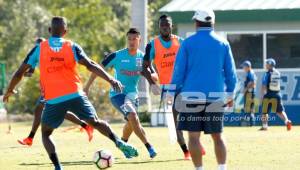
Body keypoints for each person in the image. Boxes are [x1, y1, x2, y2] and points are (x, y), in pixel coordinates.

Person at [3, 16, 138, 170]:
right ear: (65, 32)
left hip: (53, 99)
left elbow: (19, 73)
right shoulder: (72, 46)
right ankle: (118, 142)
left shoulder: (39, 48)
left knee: (46, 133)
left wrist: (9, 91)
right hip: (76, 94)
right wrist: (111, 80)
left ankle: (58, 167)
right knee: (95, 121)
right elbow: (90, 65)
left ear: (49, 31)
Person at [171, 9, 237, 170]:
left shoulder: (187, 43)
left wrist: (172, 91)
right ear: (212, 22)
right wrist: (230, 94)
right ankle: (222, 168)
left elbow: (179, 71)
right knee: (218, 136)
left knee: (193, 137)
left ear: (197, 23)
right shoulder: (223, 43)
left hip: (191, 97)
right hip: (216, 96)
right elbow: (231, 73)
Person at [84, 28, 157, 158]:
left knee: (131, 122)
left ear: (139, 40)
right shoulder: (117, 55)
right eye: (129, 39)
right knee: (133, 116)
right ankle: (149, 146)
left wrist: (150, 76)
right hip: (117, 94)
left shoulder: (143, 58)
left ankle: (124, 145)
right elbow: (97, 69)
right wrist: (87, 87)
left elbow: (154, 76)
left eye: (134, 39)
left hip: (133, 95)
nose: (131, 42)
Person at [142, 14, 205, 160]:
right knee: (176, 122)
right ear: (159, 27)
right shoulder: (152, 45)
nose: (165, 27)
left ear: (171, 26)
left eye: (167, 24)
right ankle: (186, 152)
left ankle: (196, 143)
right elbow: (144, 68)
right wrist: (152, 84)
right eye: (162, 24)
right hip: (168, 89)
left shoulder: (181, 42)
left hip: (185, 85)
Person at [18, 38, 94, 146]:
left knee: (40, 109)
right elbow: (31, 71)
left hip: (55, 89)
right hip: (50, 89)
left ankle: (30, 138)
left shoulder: (48, 52)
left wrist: (21, 74)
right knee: (52, 111)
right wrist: (27, 73)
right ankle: (86, 126)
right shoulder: (41, 54)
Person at [260, 58, 292, 131]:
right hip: (277, 94)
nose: (266, 65)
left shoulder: (267, 73)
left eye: (267, 64)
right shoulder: (277, 72)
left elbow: (264, 85)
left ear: (270, 64)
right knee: (280, 111)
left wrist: (262, 95)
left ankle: (265, 126)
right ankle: (287, 121)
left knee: (264, 111)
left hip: (268, 94)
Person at [241, 60, 256, 126]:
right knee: (250, 109)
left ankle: (250, 123)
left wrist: (245, 89)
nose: (243, 68)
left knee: (249, 109)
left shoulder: (250, 73)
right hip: (251, 93)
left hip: (249, 93)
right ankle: (251, 123)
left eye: (244, 67)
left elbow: (252, 82)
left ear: (248, 67)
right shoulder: (250, 73)